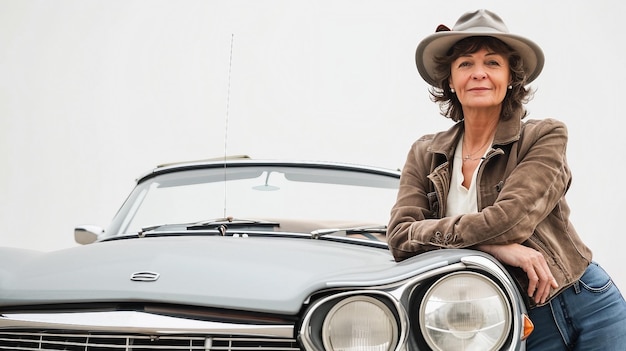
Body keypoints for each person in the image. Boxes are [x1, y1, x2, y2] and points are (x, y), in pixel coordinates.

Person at [386, 9, 626, 350]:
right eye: (466, 64)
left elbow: (509, 222)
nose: (479, 73)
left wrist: (476, 241)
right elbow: (398, 237)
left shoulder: (544, 136)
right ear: (450, 81)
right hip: (511, 314)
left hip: (588, 301)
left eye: (493, 63)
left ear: (512, 77)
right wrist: (491, 247)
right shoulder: (425, 153)